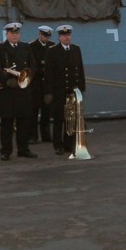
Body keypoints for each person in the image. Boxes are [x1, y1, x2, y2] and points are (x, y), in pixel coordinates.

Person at [0, 22, 38, 159]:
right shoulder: (0, 48)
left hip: (23, 90)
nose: (15, 35)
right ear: (7, 34)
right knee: (7, 123)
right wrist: (6, 80)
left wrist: (26, 79)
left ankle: (23, 149)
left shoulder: (26, 47)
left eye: (17, 33)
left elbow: (33, 66)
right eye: (12, 33)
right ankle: (6, 151)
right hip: (8, 91)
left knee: (24, 121)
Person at [44, 25, 86, 156]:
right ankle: (58, 145)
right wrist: (48, 92)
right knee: (59, 119)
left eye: (68, 35)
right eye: (64, 35)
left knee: (71, 119)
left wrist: (81, 89)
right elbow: (49, 73)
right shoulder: (52, 51)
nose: (67, 37)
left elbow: (80, 70)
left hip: (72, 91)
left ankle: (69, 144)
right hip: (59, 91)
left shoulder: (76, 49)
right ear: (59, 37)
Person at [29, 26, 56, 144]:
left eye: (47, 36)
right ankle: (33, 136)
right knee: (34, 111)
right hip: (36, 83)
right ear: (40, 34)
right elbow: (33, 65)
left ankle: (46, 135)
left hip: (48, 84)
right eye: (44, 35)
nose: (45, 38)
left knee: (47, 111)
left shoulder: (52, 46)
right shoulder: (32, 46)